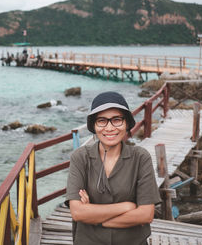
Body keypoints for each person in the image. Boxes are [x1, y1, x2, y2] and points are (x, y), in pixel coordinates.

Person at [66, 91, 161, 245]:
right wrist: (127, 206)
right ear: (94, 126)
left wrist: (93, 217)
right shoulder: (80, 157)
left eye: (117, 120)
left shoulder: (141, 157)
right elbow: (77, 212)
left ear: (127, 123)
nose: (109, 128)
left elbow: (146, 214)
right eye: (102, 121)